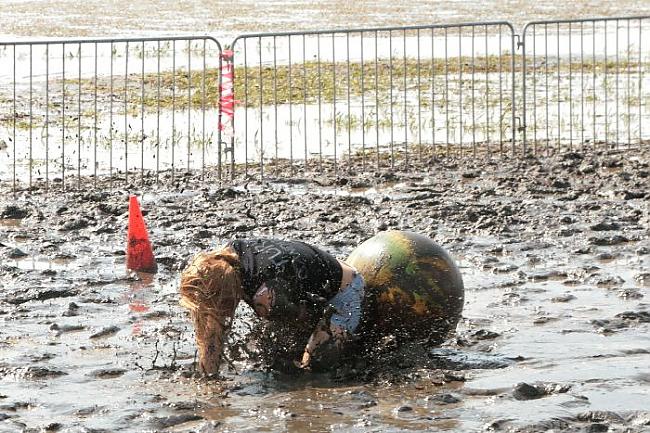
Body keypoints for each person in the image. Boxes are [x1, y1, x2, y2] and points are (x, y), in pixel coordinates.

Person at [178, 238, 366, 376]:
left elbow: (304, 320)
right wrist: (208, 379)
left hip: (345, 291)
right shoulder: (229, 255)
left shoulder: (267, 295)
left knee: (314, 364)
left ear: (227, 297)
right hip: (321, 271)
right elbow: (211, 333)